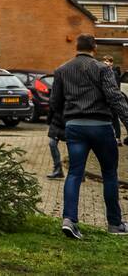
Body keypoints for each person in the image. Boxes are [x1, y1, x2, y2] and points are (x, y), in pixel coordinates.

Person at [51, 34, 128, 239]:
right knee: (110, 173)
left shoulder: (62, 70)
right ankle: (114, 224)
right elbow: (115, 98)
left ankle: (69, 220)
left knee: (75, 173)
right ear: (94, 47)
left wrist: (61, 127)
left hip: (75, 127)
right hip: (100, 127)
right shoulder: (103, 69)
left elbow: (55, 104)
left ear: (76, 47)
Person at [102, 55, 123, 144]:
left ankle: (117, 138)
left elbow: (116, 87)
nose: (105, 62)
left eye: (107, 61)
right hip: (107, 100)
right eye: (104, 61)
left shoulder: (114, 73)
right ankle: (111, 138)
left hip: (113, 100)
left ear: (111, 63)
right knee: (109, 119)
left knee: (114, 119)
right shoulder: (104, 72)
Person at [46, 105, 65, 180]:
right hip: (56, 123)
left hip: (69, 122)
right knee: (52, 143)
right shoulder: (56, 94)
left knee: (72, 147)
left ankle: (79, 172)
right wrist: (49, 120)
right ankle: (58, 169)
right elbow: (52, 105)